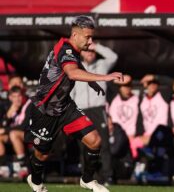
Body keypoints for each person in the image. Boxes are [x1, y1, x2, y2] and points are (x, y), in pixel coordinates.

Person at [24, 15, 124, 192]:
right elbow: (72, 73)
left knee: (95, 141)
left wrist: (92, 82)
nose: (90, 41)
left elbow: (76, 67)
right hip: (45, 110)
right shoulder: (66, 49)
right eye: (88, 37)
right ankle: (36, 181)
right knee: (42, 154)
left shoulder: (72, 50)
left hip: (65, 106)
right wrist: (104, 77)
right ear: (75, 35)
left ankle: (87, 180)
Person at [71, 41, 118, 184]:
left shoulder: (102, 65)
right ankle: (88, 177)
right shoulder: (76, 68)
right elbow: (71, 91)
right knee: (84, 145)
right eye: (86, 51)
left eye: (91, 51)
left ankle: (108, 176)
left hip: (98, 110)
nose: (89, 53)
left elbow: (113, 57)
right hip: (81, 110)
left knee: (103, 144)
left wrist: (96, 46)